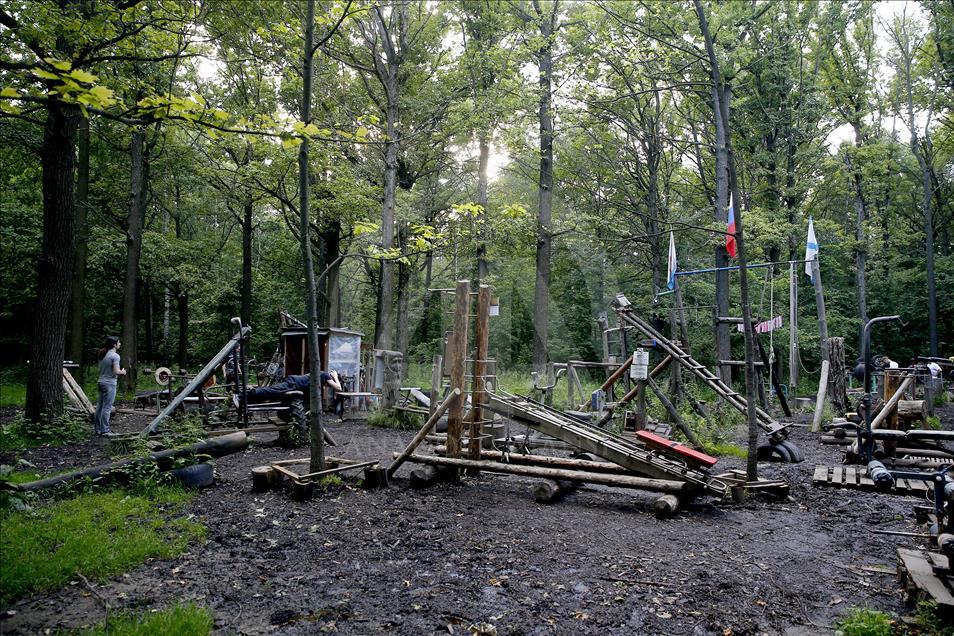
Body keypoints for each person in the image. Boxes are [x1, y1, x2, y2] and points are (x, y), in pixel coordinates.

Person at [240, 370, 344, 413]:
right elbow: (338, 388)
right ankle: (243, 395)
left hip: (295, 383)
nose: (327, 386)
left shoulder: (321, 375)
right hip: (294, 384)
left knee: (272, 393)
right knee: (271, 391)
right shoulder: (325, 375)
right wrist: (335, 377)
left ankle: (246, 400)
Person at [94, 336, 126, 435]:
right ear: (114, 345)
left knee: (99, 406)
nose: (120, 344)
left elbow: (100, 369)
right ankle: (105, 430)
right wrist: (123, 372)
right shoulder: (115, 356)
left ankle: (98, 429)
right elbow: (116, 371)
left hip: (101, 382)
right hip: (110, 384)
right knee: (107, 408)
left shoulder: (102, 354)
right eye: (119, 342)